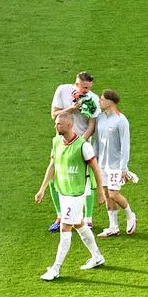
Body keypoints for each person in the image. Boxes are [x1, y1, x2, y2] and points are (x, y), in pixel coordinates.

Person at [34, 113, 108, 280]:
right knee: (78, 224)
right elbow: (52, 165)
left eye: (59, 124)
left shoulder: (83, 146)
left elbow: (96, 169)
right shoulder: (56, 142)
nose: (56, 127)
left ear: (69, 126)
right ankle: (97, 256)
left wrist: (101, 193)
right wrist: (42, 189)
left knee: (65, 227)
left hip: (77, 193)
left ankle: (56, 268)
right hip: (63, 191)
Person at [48, 72, 101, 231]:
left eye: (89, 87)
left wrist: (80, 142)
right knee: (54, 176)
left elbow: (92, 124)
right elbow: (54, 115)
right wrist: (71, 109)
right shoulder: (62, 90)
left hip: (82, 143)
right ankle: (60, 215)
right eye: (85, 87)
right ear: (77, 84)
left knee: (86, 179)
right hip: (62, 142)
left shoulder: (93, 99)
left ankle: (88, 219)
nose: (87, 90)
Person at [95, 90, 139, 237]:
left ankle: (130, 214)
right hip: (102, 164)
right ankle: (113, 226)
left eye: (101, 100)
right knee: (107, 194)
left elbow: (125, 145)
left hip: (115, 165)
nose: (99, 102)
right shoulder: (100, 118)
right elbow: (97, 142)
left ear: (109, 102)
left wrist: (123, 168)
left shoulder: (121, 120)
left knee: (114, 194)